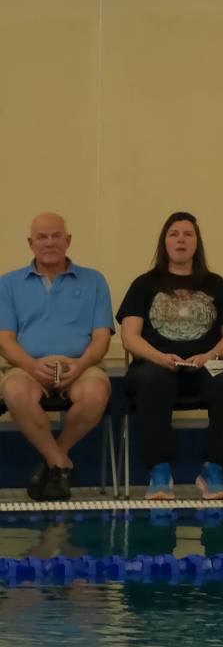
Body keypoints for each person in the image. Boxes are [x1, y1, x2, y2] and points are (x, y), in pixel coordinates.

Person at [117, 211, 223, 500]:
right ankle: (159, 472)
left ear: (197, 243)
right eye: (174, 233)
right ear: (164, 242)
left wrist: (209, 355)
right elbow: (129, 336)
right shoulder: (145, 284)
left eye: (188, 234)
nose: (181, 240)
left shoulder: (215, 284)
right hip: (155, 367)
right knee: (154, 380)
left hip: (204, 367)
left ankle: (213, 469)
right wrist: (159, 357)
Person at [0, 213, 114, 501]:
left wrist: (80, 365)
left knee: (96, 392)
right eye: (42, 237)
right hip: (26, 366)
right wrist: (30, 365)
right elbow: (4, 340)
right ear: (30, 243)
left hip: (81, 365)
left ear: (68, 240)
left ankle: (52, 460)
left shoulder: (94, 281)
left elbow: (101, 339)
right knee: (13, 391)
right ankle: (61, 463)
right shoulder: (8, 284)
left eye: (55, 236)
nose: (49, 243)